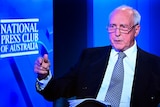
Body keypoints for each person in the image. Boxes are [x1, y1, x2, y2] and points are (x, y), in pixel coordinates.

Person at [34, 5, 160, 107]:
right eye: (112, 26)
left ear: (136, 30)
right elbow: (57, 90)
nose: (117, 33)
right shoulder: (90, 57)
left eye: (123, 27)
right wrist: (44, 76)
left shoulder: (154, 65)